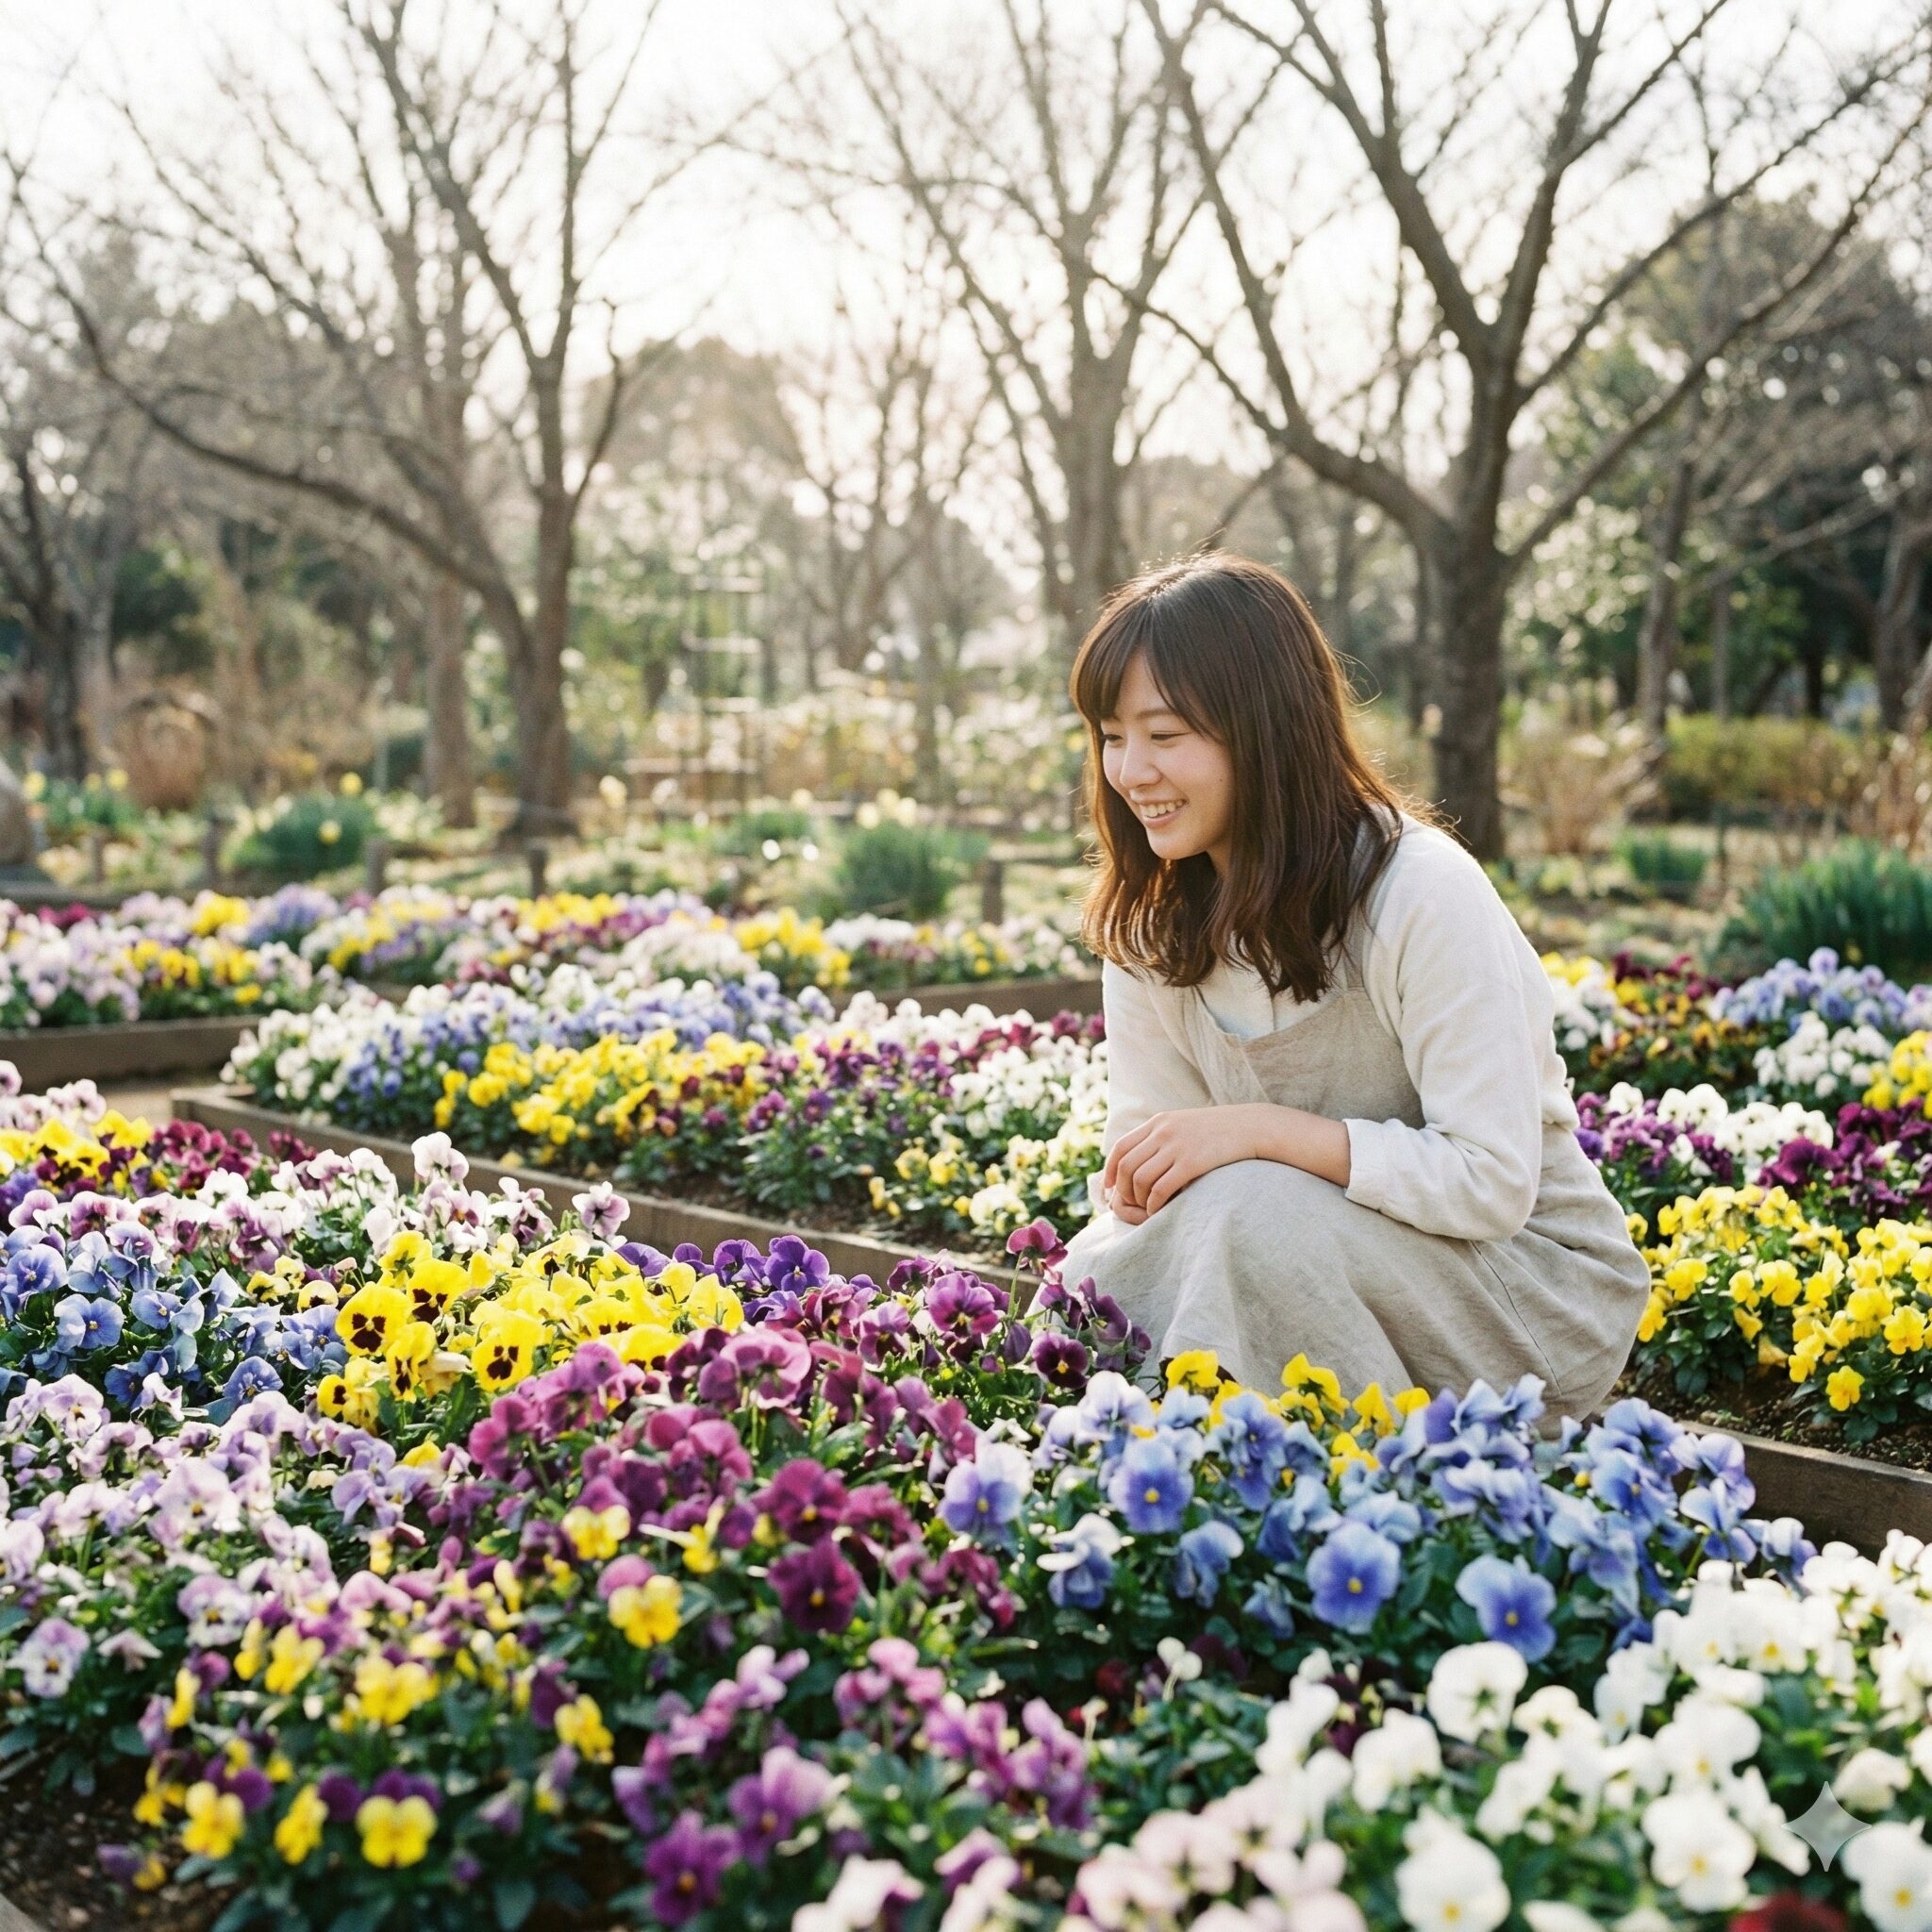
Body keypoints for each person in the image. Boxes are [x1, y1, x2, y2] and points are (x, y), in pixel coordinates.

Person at [1058, 553, 1647, 1417]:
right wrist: (1142, 1192)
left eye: (1166, 735)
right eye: (1112, 736)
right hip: (1282, 1250)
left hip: (1522, 1298)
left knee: (1257, 1211)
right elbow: (1159, 1168)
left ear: (1264, 727)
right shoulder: (1151, 923)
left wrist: (1261, 1132)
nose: (1130, 771)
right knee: (1088, 1281)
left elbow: (1490, 1180)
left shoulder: (1418, 889)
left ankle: (1309, 1501)